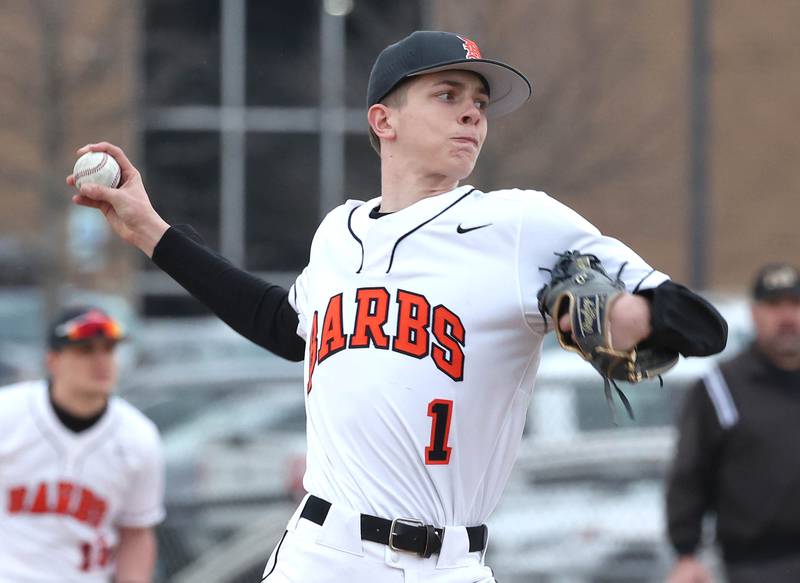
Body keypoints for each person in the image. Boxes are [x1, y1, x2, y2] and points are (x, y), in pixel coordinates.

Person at [67, 30, 726, 583]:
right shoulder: (338, 232)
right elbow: (282, 325)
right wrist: (149, 230)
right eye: (447, 94)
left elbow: (703, 323)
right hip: (323, 553)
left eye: (479, 102)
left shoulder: (521, 223)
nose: (472, 112)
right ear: (383, 120)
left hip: (453, 561)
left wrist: (628, 318)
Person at [0, 306, 165, 582]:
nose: (101, 361)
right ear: (53, 361)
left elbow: (136, 533)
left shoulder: (137, 436)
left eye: (109, 350)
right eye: (86, 350)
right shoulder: (7, 413)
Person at [666, 262, 800, 583]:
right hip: (755, 567)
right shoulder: (721, 387)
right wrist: (686, 553)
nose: (786, 318)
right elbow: (689, 474)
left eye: (795, 304)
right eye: (773, 305)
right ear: (753, 313)